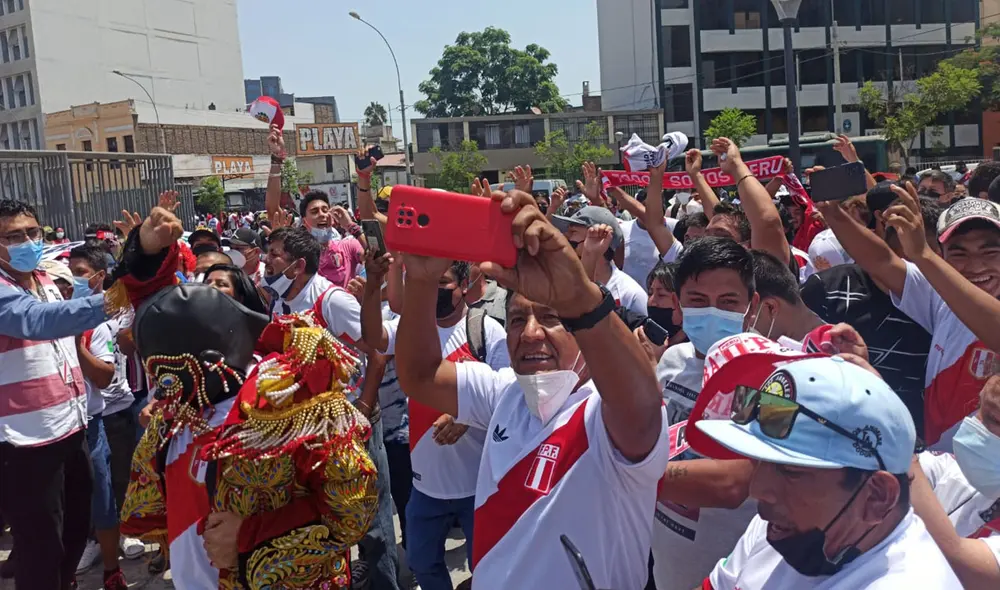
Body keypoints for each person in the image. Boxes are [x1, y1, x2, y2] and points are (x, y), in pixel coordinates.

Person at [392, 189, 668, 588]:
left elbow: (642, 406)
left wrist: (578, 296)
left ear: (582, 326)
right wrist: (420, 278)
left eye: (552, 317)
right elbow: (419, 374)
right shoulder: (505, 393)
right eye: (518, 319)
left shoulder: (604, 416)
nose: (531, 333)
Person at [112, 205, 378, 588]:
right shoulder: (181, 406)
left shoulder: (295, 402)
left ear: (211, 361)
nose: (164, 391)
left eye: (171, 377)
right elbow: (159, 311)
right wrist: (148, 251)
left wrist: (252, 533)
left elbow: (353, 510)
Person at [696, 354, 961, 589]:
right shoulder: (787, 528)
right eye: (760, 461)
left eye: (790, 470)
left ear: (877, 496)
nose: (757, 490)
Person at [262, 224, 401, 590]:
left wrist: (364, 409)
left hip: (351, 425)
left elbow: (378, 351)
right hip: (309, 431)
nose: (267, 261)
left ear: (298, 265)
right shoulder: (281, 302)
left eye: (275, 255)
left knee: (372, 523)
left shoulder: (331, 301)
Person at [362, 258, 510, 590]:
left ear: (464, 288)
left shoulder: (486, 330)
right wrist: (373, 286)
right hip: (426, 485)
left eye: (443, 283)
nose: (436, 290)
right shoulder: (412, 329)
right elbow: (373, 337)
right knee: (421, 562)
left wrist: (466, 418)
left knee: (484, 567)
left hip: (477, 484)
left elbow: (509, 395)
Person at [817, 184, 1000, 447]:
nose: (976, 265)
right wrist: (833, 212)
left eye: (990, 251)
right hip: (943, 471)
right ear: (943, 256)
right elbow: (881, 261)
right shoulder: (941, 295)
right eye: (959, 252)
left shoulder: (937, 278)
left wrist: (923, 255)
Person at [0, 199, 117, 590]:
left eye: (32, 232)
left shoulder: (45, 280)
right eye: (13, 236)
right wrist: (118, 298)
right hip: (26, 440)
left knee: (73, 530)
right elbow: (38, 320)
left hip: (70, 427)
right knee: (40, 545)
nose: (26, 242)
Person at [67, 244, 137, 588]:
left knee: (118, 481)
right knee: (90, 490)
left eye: (80, 274)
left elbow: (108, 370)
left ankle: (120, 540)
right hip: (76, 418)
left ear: (98, 276)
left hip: (116, 408)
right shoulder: (61, 314)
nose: (73, 281)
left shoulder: (111, 310)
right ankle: (95, 541)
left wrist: (75, 346)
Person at [910, 376, 1000, 589]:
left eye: (994, 420)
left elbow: (956, 560)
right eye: (979, 408)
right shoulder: (953, 471)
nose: (975, 424)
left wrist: (903, 451)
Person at [552, 205, 648, 315]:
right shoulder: (564, 284)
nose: (566, 237)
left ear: (600, 238)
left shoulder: (630, 294)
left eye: (573, 232)